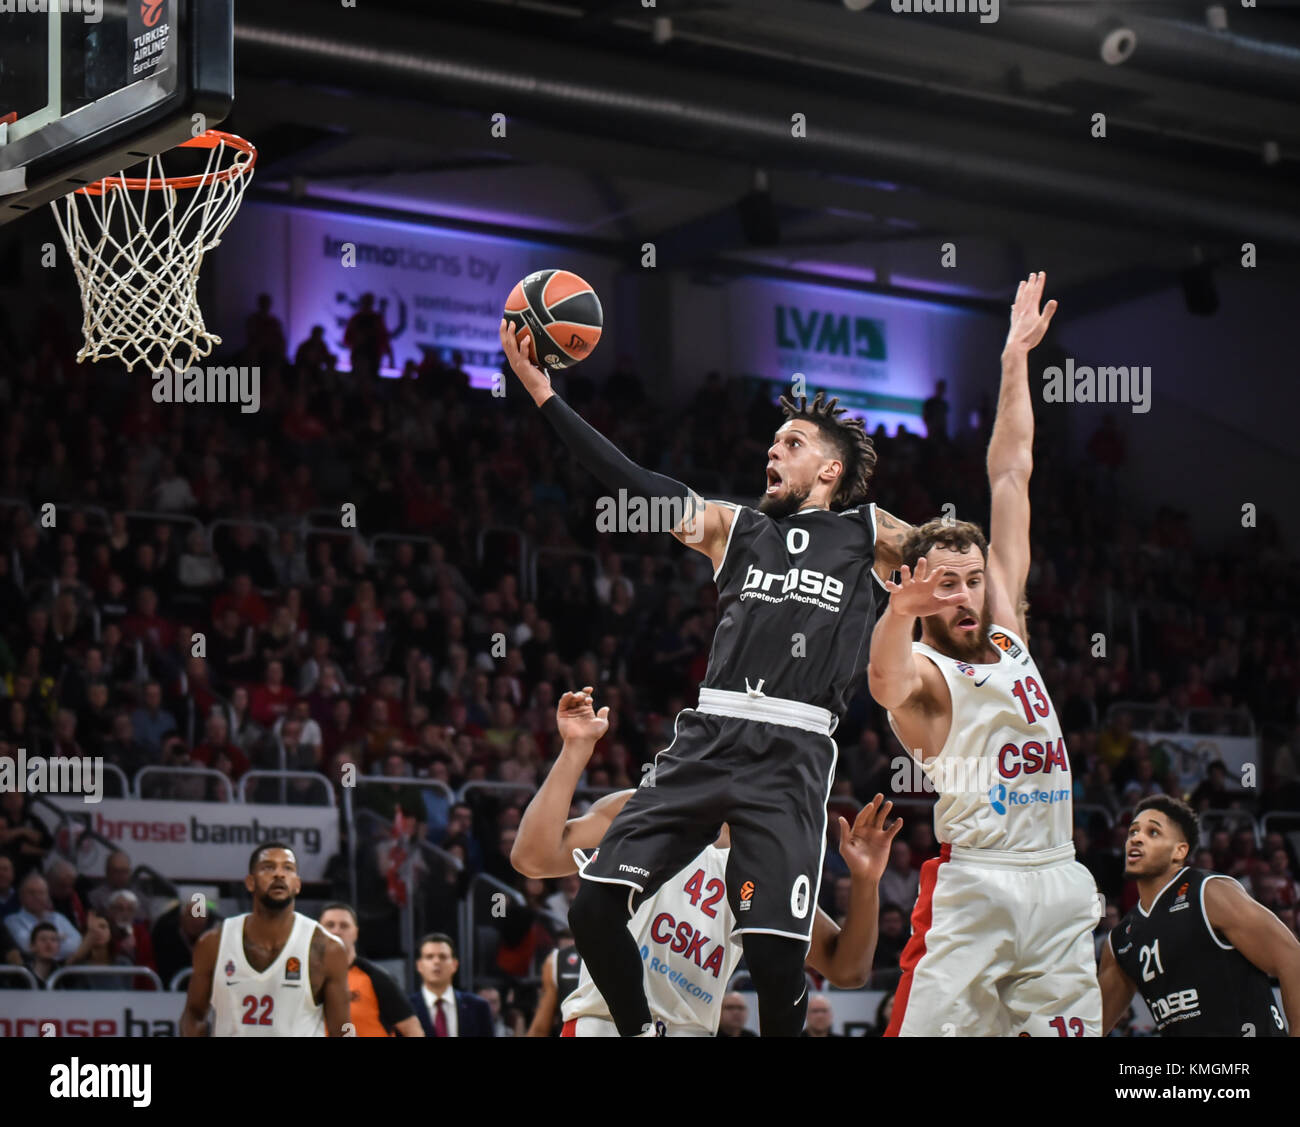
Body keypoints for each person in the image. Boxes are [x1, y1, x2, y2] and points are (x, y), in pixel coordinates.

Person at [500, 317, 913, 1036]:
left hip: (794, 750)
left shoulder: (868, 532)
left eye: (792, 443)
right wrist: (543, 393)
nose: (771, 451)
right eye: (773, 442)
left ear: (830, 470)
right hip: (709, 734)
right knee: (593, 908)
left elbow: (956, 558)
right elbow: (634, 481)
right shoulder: (735, 527)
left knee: (779, 958)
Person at [867, 273, 1102, 1037]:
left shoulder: (1007, 632)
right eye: (950, 584)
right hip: (979, 886)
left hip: (1061, 879)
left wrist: (1012, 361)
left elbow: (1011, 469)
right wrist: (897, 613)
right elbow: (884, 682)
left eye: (974, 579)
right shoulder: (927, 677)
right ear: (919, 590)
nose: (968, 594)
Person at [512, 688, 898, 1036]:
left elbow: (847, 970)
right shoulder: (637, 808)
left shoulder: (772, 857)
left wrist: (865, 880)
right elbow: (532, 858)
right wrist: (575, 750)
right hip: (605, 1023)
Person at [1099, 795, 1300, 1037]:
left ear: (1179, 850)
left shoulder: (1209, 893)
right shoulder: (1120, 941)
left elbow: (1291, 959)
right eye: (1133, 832)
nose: (1137, 838)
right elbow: (1091, 1026)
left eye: (1153, 832)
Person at [181, 843, 351, 1036]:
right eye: (268, 867)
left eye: (287, 868)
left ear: (297, 884)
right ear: (250, 882)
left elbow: (342, 1030)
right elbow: (194, 1014)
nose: (279, 874)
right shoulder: (213, 943)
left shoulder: (327, 948)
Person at [318, 902, 423, 1037]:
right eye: (330, 925)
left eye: (344, 925)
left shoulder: (377, 978)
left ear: (355, 932)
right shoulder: (306, 978)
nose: (336, 931)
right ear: (318, 931)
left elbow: (413, 1031)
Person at [407, 933, 494, 1037]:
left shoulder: (478, 1007)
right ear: (419, 965)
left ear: (455, 964)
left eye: (443, 956)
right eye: (429, 957)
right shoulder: (406, 1008)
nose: (436, 961)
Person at [6, 871, 82, 960]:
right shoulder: (12, 921)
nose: (37, 897)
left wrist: (44, 943)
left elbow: (77, 944)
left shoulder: (58, 918)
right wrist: (60, 937)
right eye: (31, 892)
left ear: (48, 896)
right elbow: (26, 946)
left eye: (41, 892)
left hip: (62, 969)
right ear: (21, 896)